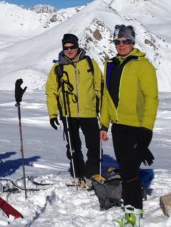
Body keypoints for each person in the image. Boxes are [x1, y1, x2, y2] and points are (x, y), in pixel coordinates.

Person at [100, 25, 159, 226]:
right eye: (117, 41)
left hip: (136, 126)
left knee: (131, 172)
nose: (121, 45)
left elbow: (151, 98)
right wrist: (103, 125)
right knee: (125, 170)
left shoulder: (143, 65)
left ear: (133, 42)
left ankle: (134, 215)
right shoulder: (111, 64)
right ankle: (130, 207)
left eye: (126, 41)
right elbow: (107, 98)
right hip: (118, 126)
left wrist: (146, 131)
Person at [45, 33, 103, 185]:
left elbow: (100, 88)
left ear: (78, 46)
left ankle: (92, 175)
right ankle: (78, 175)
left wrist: (104, 112)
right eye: (66, 47)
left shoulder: (90, 64)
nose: (69, 50)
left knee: (94, 146)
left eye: (72, 47)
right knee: (73, 147)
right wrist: (52, 114)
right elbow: (51, 92)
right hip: (68, 113)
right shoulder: (58, 67)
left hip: (89, 112)